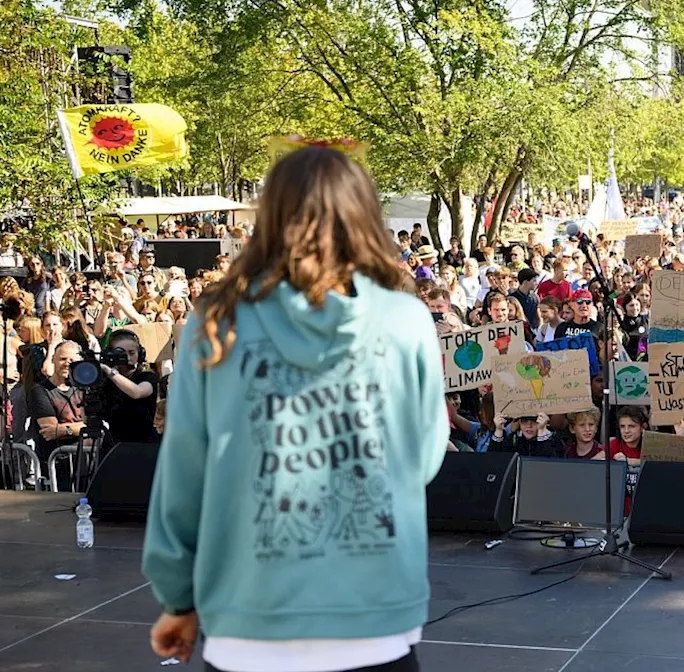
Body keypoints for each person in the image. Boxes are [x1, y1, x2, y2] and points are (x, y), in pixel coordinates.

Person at [142, 147, 449, 671]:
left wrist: (178, 598)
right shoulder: (406, 320)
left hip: (248, 618)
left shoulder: (215, 324)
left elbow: (183, 473)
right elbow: (422, 458)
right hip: (374, 615)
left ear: (271, 218)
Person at [97, 329, 161, 443]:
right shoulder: (106, 382)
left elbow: (137, 392)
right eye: (120, 353)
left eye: (132, 353)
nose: (127, 357)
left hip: (144, 444)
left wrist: (110, 372)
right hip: (116, 445)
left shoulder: (148, 377)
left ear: (140, 354)